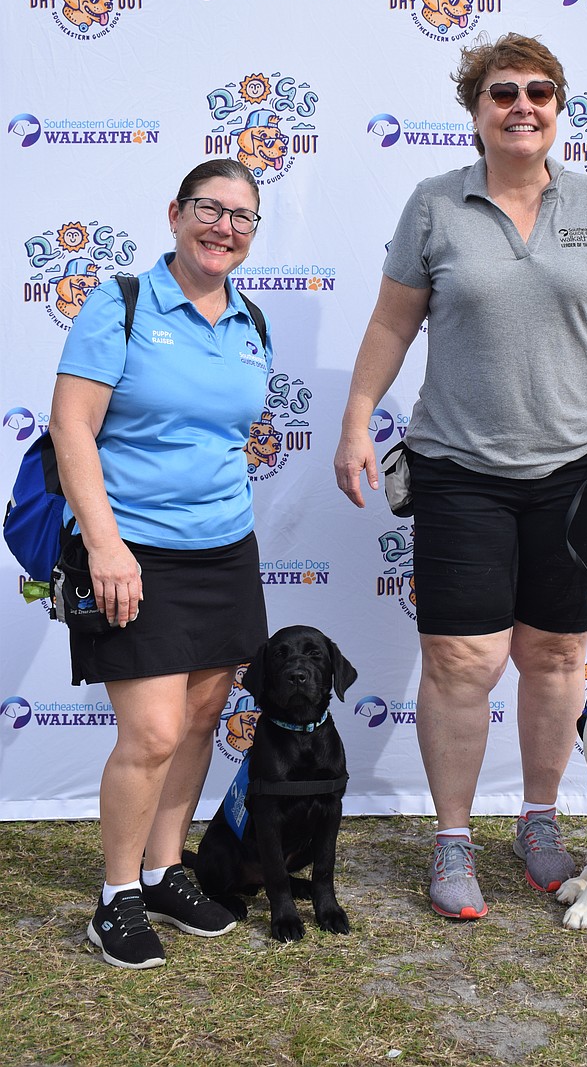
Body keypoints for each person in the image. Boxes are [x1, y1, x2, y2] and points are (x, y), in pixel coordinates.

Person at [334, 34, 587, 919]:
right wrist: (358, 420)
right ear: (475, 110)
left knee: (555, 655)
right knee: (460, 659)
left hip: (575, 471)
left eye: (540, 92)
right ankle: (452, 840)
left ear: (559, 108)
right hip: (459, 469)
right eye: (502, 91)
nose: (523, 105)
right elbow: (392, 325)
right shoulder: (435, 205)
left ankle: (541, 823)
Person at [49, 159, 272, 967]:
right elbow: (72, 428)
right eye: (211, 209)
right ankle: (116, 897)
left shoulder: (252, 320)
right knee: (151, 730)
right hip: (130, 549)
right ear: (176, 212)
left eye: (243, 217)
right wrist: (105, 545)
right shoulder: (121, 304)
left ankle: (163, 866)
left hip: (225, 551)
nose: (225, 227)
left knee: (203, 721)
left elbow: (223, 438)